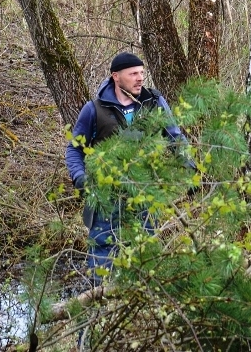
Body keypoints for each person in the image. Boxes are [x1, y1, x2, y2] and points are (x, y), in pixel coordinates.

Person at [65, 52, 191, 282]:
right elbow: (74, 149)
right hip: (105, 194)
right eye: (133, 73)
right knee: (102, 257)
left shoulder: (154, 103)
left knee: (146, 256)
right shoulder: (94, 109)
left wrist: (188, 166)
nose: (140, 78)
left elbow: (175, 138)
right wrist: (80, 177)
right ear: (116, 76)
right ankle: (100, 307)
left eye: (142, 73)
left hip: (145, 192)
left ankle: (142, 310)